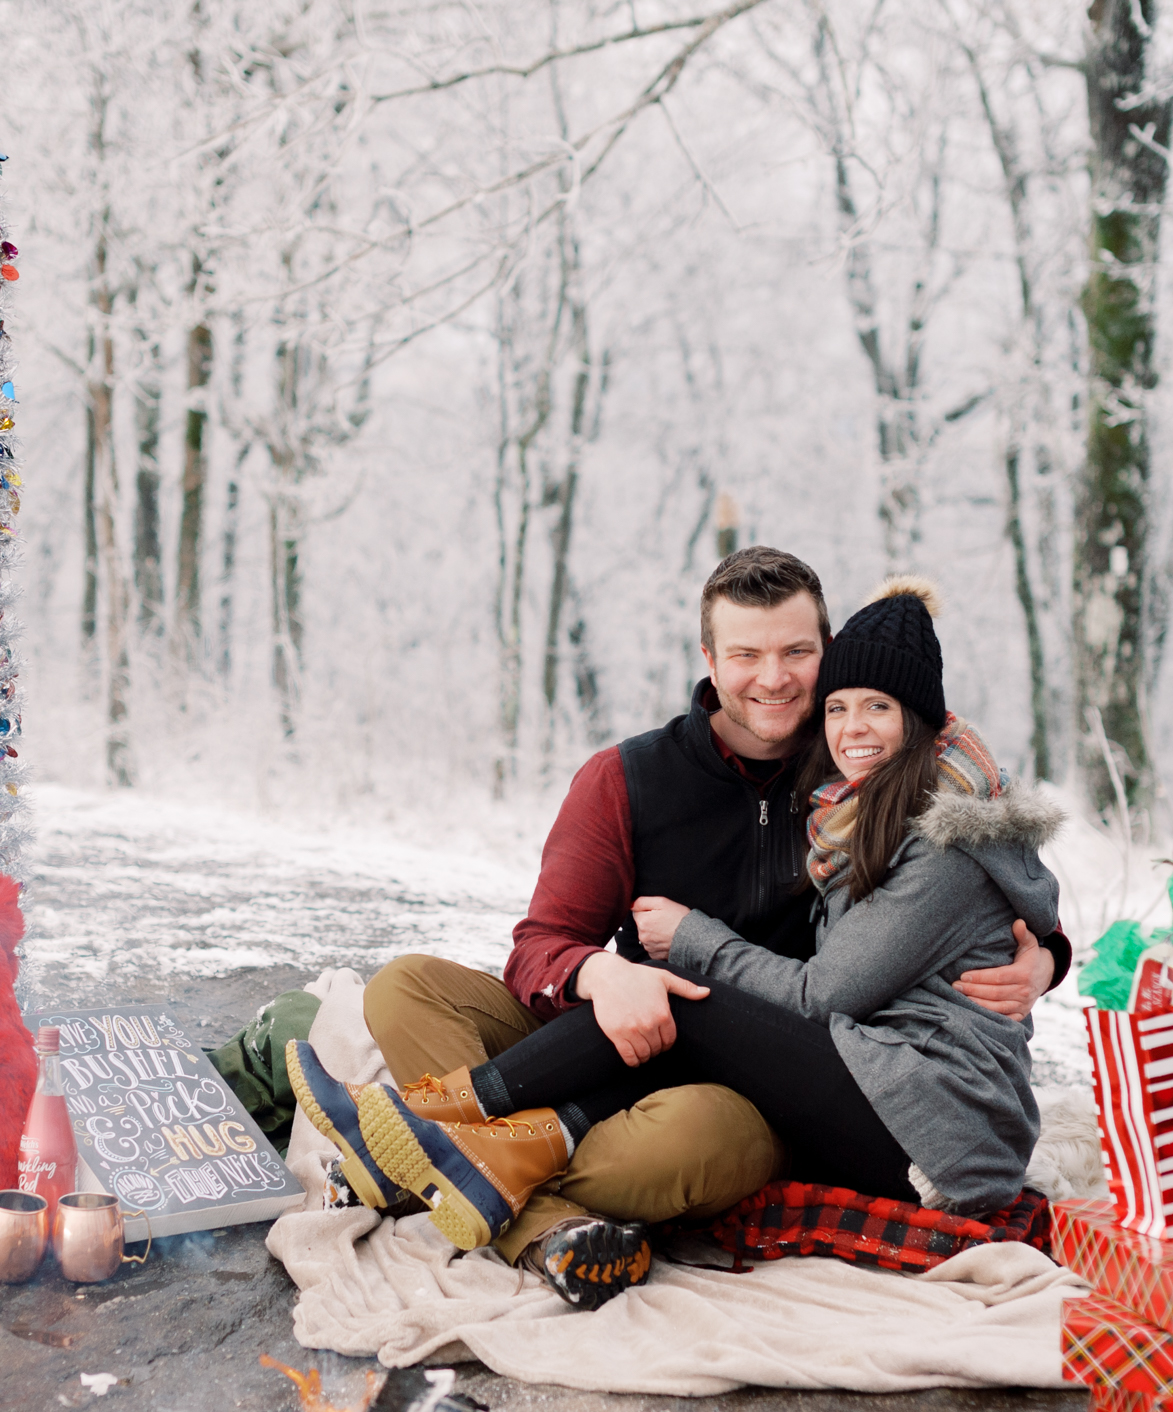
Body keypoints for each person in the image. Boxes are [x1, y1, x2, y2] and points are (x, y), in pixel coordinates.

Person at [291, 554, 1070, 1306]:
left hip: (752, 1097)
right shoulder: (632, 779)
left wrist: (1043, 958)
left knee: (691, 1132)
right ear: (709, 658)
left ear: (826, 655)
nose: (773, 678)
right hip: (626, 1038)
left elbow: (975, 871)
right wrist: (605, 975)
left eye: (797, 652)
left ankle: (447, 1161)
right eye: (746, 654)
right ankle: (510, 1189)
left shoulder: (861, 771)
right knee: (407, 988)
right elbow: (539, 948)